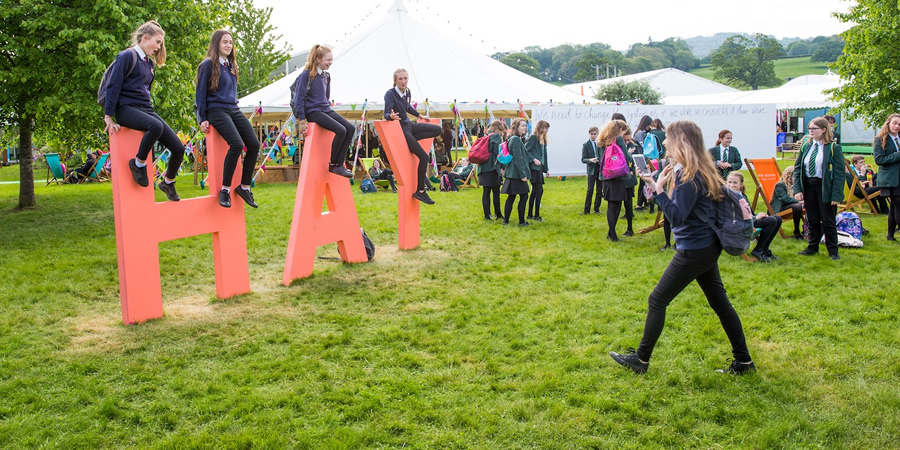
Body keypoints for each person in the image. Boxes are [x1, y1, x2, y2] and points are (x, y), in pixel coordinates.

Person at [610, 120, 755, 375]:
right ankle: (744, 362)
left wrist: (659, 190)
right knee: (721, 304)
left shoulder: (690, 175)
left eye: (668, 138)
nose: (664, 142)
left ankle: (641, 360)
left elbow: (676, 217)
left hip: (694, 250)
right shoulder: (696, 169)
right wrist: (658, 187)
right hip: (705, 247)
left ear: (681, 141)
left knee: (657, 299)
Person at [103, 20, 185, 201]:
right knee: (155, 126)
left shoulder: (150, 64)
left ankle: (168, 182)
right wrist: (108, 116)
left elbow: (144, 92)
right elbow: (113, 86)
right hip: (125, 109)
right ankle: (138, 164)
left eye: (160, 43)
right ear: (144, 38)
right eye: (157, 42)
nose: (158, 47)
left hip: (145, 109)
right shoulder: (127, 56)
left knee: (179, 148)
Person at [196, 30, 261, 208]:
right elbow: (200, 93)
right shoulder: (208, 64)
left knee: (254, 144)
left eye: (231, 43)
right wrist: (201, 117)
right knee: (237, 144)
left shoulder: (231, 65)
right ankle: (225, 189)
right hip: (216, 110)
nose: (228, 45)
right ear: (216, 43)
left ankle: (244, 187)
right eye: (225, 42)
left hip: (233, 109)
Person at [290, 45, 354, 179]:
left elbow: (326, 96)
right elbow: (299, 98)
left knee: (350, 128)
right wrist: (301, 120)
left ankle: (339, 164)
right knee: (341, 130)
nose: (330, 63)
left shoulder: (326, 76)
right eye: (328, 60)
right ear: (318, 59)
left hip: (325, 109)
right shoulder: (306, 75)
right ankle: (334, 164)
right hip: (313, 111)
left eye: (331, 60)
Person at [384, 68, 441, 205]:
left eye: (405, 78)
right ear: (395, 81)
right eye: (400, 79)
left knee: (437, 130)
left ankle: (411, 141)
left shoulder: (407, 92)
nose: (403, 81)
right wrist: (390, 117)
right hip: (402, 130)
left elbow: (407, 107)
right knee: (424, 156)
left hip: (410, 126)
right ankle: (420, 191)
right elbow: (387, 113)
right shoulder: (390, 94)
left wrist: (420, 116)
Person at [793, 116, 845, 260]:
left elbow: (840, 174)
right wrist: (798, 189)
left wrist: (836, 195)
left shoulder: (833, 148)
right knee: (812, 219)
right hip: (809, 186)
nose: (811, 131)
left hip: (824, 186)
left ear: (823, 130)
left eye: (814, 129)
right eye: (809, 128)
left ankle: (833, 251)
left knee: (828, 220)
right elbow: (798, 169)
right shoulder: (806, 146)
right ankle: (812, 247)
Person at [727, 172, 782, 262]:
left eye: (735, 182)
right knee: (771, 221)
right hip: (739, 225)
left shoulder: (742, 195)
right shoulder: (728, 197)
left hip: (748, 221)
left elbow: (749, 213)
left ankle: (765, 249)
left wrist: (757, 215)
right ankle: (759, 249)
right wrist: (755, 218)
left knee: (777, 219)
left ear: (741, 184)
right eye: (729, 182)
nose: (731, 185)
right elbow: (735, 218)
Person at [597, 120, 634, 241]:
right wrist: (629, 153)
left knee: (611, 206)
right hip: (618, 176)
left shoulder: (602, 140)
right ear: (620, 130)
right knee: (616, 206)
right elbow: (626, 156)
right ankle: (612, 235)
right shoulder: (618, 139)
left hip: (607, 176)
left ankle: (610, 233)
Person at [873, 113, 900, 241]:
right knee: (898, 205)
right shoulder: (880, 139)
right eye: (895, 123)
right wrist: (897, 155)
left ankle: (890, 235)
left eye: (899, 124)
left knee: (894, 207)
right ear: (888, 123)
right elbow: (879, 159)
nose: (897, 126)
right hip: (890, 179)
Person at [501, 118, 530, 226]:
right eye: (522, 125)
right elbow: (518, 159)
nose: (525, 127)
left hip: (513, 173)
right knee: (523, 197)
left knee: (512, 197)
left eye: (525, 125)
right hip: (516, 174)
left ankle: (506, 221)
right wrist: (523, 175)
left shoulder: (513, 138)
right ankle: (521, 221)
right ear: (516, 127)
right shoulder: (516, 140)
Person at [479, 121, 506, 220]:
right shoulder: (497, 137)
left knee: (486, 192)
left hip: (483, 167)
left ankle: (487, 215)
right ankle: (498, 214)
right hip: (493, 168)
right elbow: (498, 153)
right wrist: (502, 167)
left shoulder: (485, 135)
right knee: (496, 192)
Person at [771, 166, 804, 240]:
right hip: (780, 209)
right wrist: (799, 202)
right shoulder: (780, 185)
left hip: (790, 207)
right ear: (789, 176)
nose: (796, 179)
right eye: (795, 177)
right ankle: (797, 231)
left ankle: (809, 229)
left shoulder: (795, 186)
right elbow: (785, 199)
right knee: (798, 206)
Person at [526, 120, 550, 221]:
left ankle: (531, 214)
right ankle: (536, 215)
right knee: (539, 191)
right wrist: (533, 159)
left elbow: (544, 155)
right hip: (534, 169)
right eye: (545, 128)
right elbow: (526, 150)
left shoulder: (543, 139)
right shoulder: (533, 137)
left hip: (539, 168)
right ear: (540, 127)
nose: (546, 130)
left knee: (535, 191)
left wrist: (546, 169)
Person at [633, 115, 653, 212]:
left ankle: (644, 202)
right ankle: (639, 204)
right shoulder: (640, 133)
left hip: (643, 158)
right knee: (643, 182)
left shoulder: (643, 133)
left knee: (645, 181)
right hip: (641, 159)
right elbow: (642, 146)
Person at [581, 126, 602, 215]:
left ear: (597, 134)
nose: (593, 136)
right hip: (591, 169)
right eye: (591, 134)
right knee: (590, 190)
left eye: (594, 134)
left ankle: (596, 209)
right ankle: (586, 210)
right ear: (589, 134)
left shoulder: (600, 144)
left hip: (599, 168)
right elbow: (583, 159)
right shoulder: (586, 145)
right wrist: (590, 160)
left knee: (599, 190)